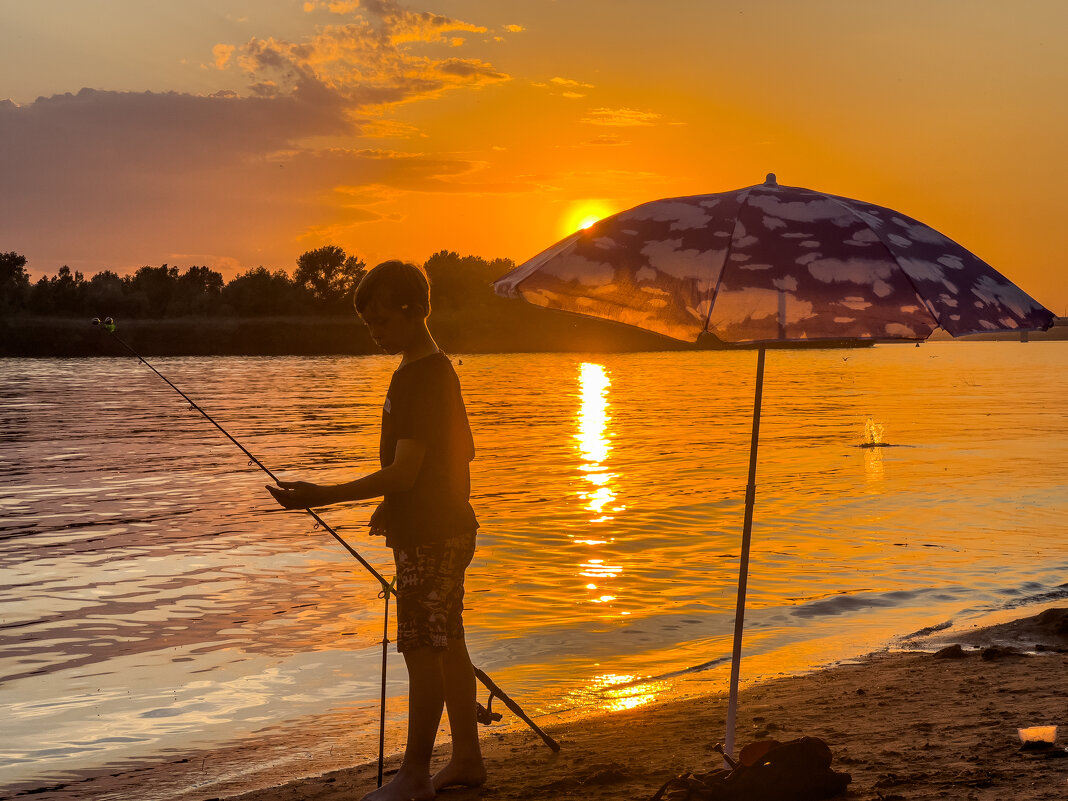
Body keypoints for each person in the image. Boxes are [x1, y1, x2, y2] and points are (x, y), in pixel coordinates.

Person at [266, 260, 485, 801]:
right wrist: (393, 504)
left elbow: (407, 470)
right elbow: (458, 454)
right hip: (443, 525)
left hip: (433, 535)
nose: (374, 332)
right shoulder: (432, 371)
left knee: (421, 647)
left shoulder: (419, 376)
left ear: (413, 311)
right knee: (448, 640)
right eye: (368, 323)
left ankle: (414, 775)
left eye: (381, 321)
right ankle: (466, 758)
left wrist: (321, 494)